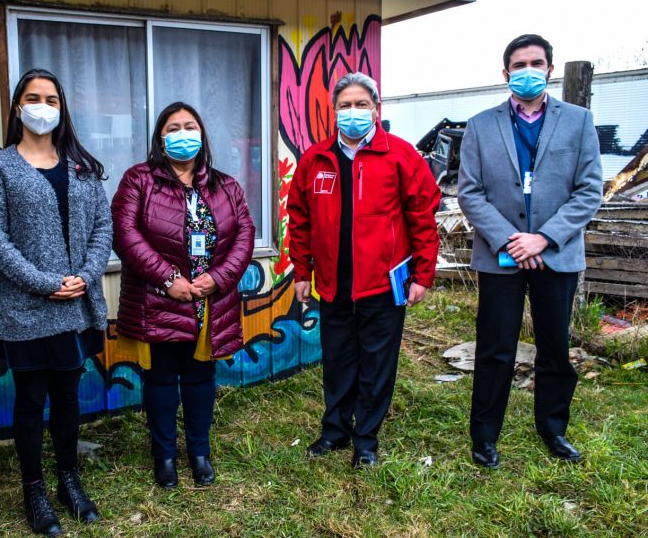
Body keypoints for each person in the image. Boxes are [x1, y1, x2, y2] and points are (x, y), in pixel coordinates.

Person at [0, 69, 112, 535]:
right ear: (17, 107)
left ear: (62, 107)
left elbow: (102, 229)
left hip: (76, 303)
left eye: (51, 98)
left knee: (68, 397)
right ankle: (34, 488)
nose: (42, 106)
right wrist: (44, 282)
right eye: (33, 98)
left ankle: (69, 480)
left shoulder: (83, 167)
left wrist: (86, 275)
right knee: (32, 399)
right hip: (26, 308)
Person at [458, 34, 603, 469]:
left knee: (554, 347)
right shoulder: (481, 125)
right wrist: (511, 240)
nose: (528, 71)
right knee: (495, 348)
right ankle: (484, 437)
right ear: (505, 73)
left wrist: (543, 238)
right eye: (519, 64)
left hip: (554, 255)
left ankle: (553, 429)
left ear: (550, 69)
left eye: (536, 62)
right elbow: (470, 192)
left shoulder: (578, 121)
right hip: (500, 257)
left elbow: (588, 190)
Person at [287, 72, 440, 467]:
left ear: (376, 109)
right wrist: (301, 271)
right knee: (338, 360)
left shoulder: (401, 156)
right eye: (344, 105)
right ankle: (334, 432)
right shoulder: (316, 160)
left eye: (361, 104)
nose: (352, 112)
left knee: (376, 363)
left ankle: (366, 439)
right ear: (333, 111)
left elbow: (422, 218)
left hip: (383, 284)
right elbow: (299, 219)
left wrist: (423, 275)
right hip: (333, 284)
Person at [111, 102, 255, 489]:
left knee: (199, 378)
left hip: (210, 301)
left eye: (190, 126)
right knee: (159, 380)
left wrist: (219, 278)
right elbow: (126, 235)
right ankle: (165, 457)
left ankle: (199, 453)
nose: (183, 133)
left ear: (202, 135)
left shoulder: (226, 186)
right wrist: (168, 279)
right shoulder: (138, 180)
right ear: (161, 137)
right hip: (157, 301)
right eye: (173, 127)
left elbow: (244, 236)